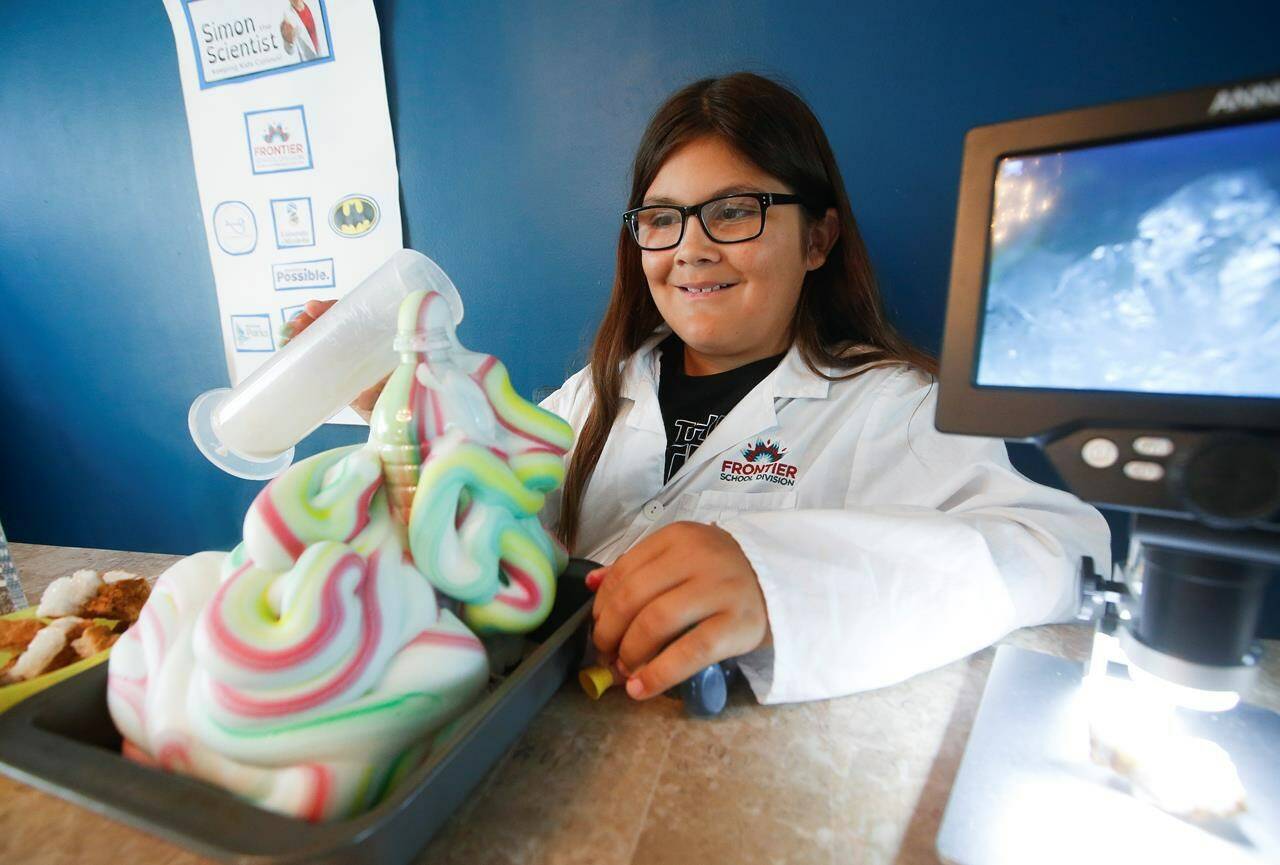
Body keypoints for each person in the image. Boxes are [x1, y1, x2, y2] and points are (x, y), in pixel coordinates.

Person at [285, 72, 1110, 706]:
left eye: (734, 212)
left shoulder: (893, 405)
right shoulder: (604, 388)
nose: (689, 249)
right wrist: (405, 414)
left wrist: (776, 578)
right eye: (662, 218)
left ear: (818, 238)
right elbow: (491, 513)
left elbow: (1061, 552)